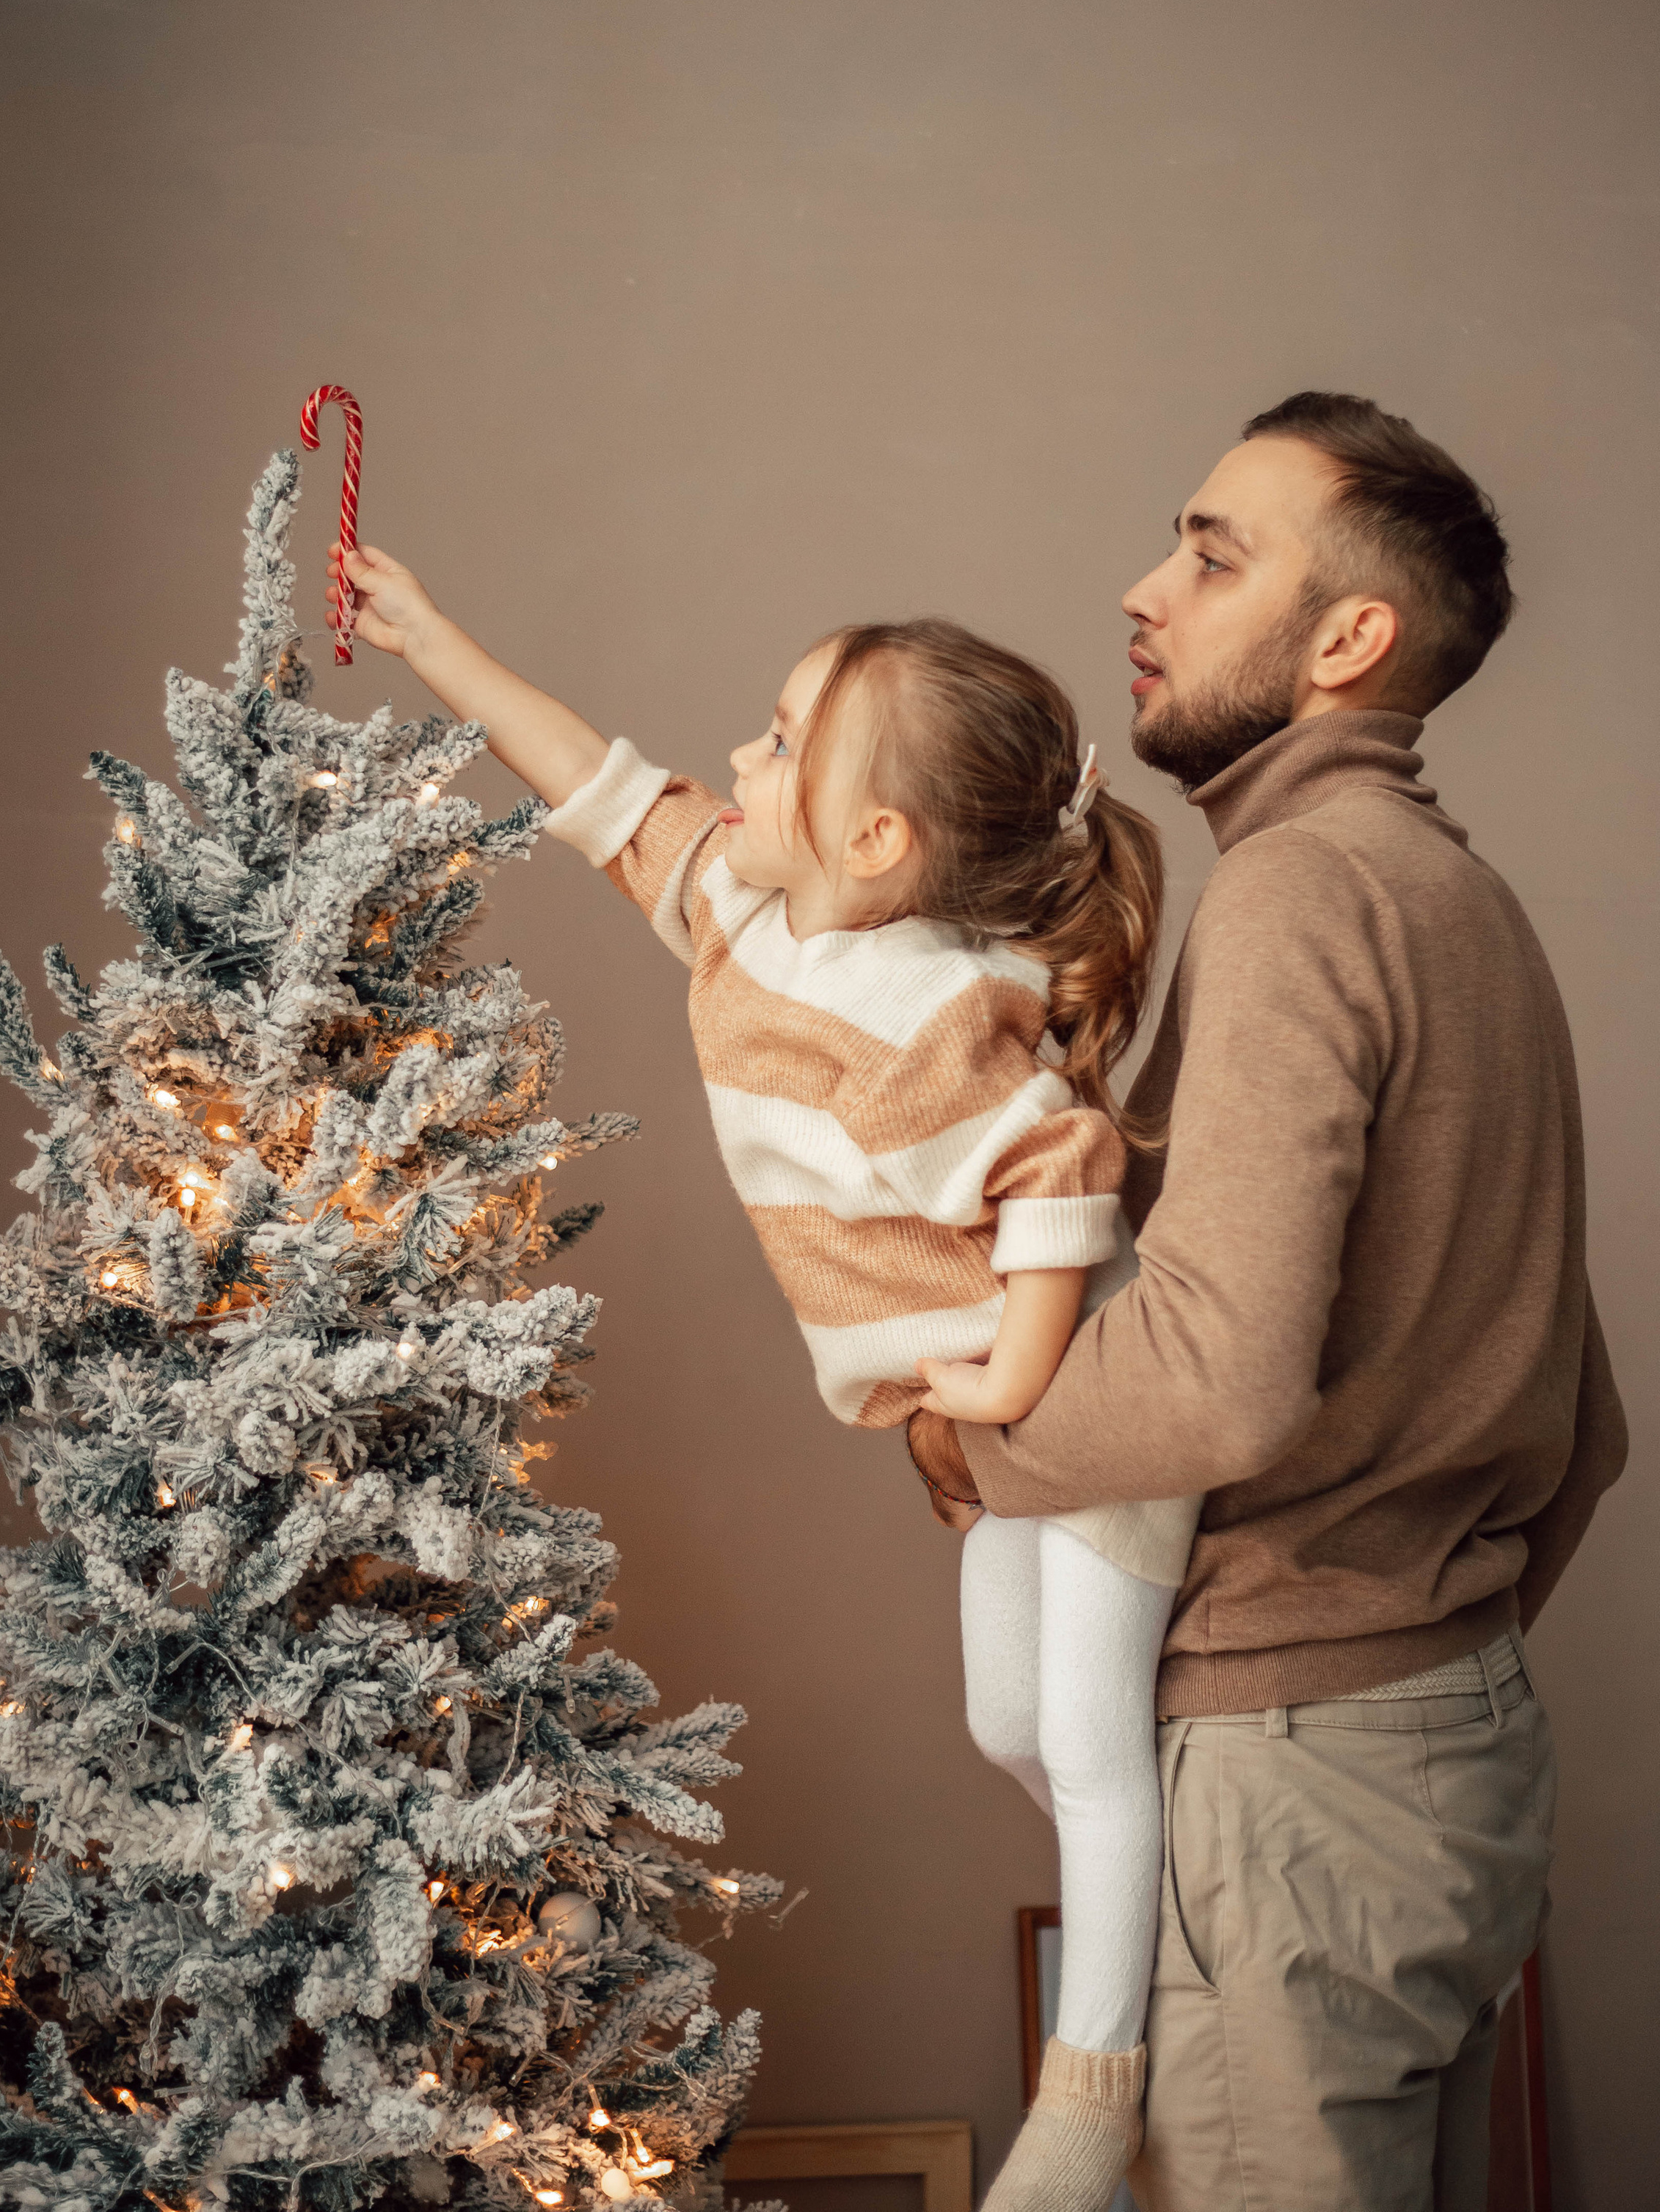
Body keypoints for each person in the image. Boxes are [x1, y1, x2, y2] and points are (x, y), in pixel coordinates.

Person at [331, 547, 1187, 2212]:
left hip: (1091, 1406)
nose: (738, 759)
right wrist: (433, 633)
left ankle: (1089, 2095)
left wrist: (998, 1387)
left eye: (782, 741)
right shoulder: (746, 915)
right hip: (992, 1423)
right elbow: (590, 784)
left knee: (1082, 1735)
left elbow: (1065, 1176)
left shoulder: (940, 1015)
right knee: (1007, 1716)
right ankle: (1171, 1858)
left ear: (878, 843)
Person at [909, 392, 1628, 2212]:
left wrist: (967, 1437)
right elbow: (1592, 1426)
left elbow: (1218, 1384)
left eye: (1212, 554)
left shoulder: (1301, 893)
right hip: (1453, 1749)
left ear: (1346, 640)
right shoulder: (1460, 902)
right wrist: (1407, 1642)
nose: (1146, 589)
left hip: (1292, 1790)